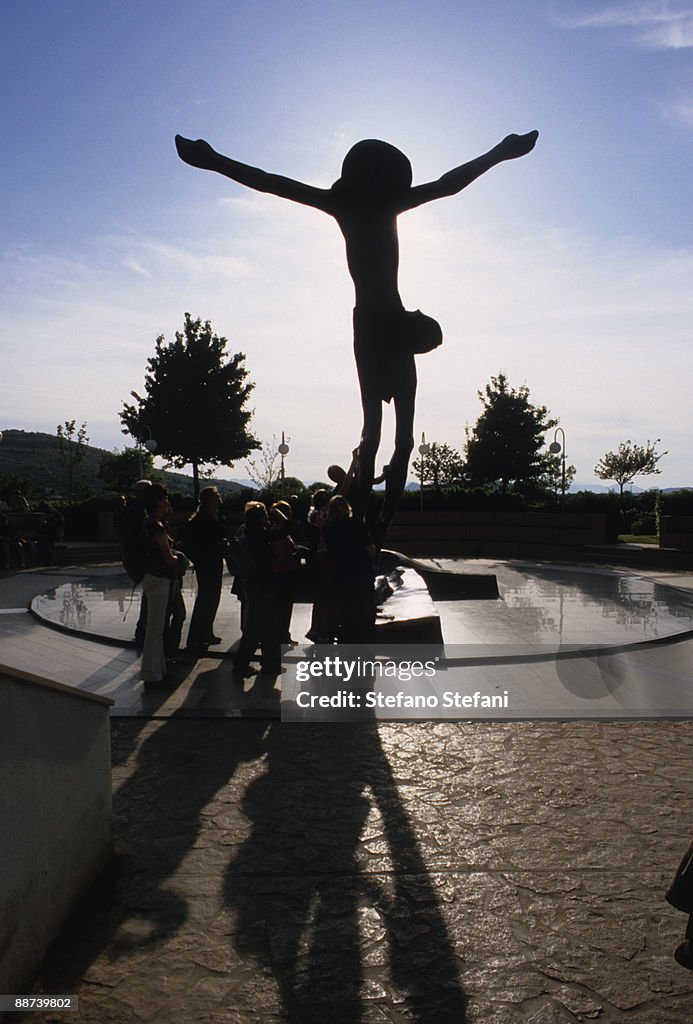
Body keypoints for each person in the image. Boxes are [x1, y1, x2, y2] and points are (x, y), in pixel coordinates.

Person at [176, 128, 538, 538]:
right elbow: (272, 183)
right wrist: (215, 160)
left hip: (381, 324)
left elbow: (274, 182)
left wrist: (502, 152)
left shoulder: (356, 202)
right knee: (378, 434)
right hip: (379, 326)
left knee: (392, 436)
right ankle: (367, 529)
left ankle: (375, 530)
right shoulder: (369, 202)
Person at [140, 484, 184, 685]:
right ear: (158, 501)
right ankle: (152, 674)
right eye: (165, 498)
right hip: (159, 579)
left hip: (153, 578)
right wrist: (182, 560)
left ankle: (159, 671)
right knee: (155, 629)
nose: (168, 502)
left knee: (156, 628)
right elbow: (168, 558)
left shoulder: (150, 523)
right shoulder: (155, 526)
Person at [232, 501, 281, 676]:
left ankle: (265, 663)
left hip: (254, 584)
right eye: (266, 515)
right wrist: (279, 514)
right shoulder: (260, 535)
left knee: (261, 625)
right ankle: (253, 664)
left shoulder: (248, 534)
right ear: (260, 519)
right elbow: (285, 529)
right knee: (263, 626)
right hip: (263, 584)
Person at [178, 486, 227, 656]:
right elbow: (196, 543)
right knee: (206, 598)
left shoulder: (216, 516)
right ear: (208, 500)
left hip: (215, 561)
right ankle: (196, 637)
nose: (220, 497)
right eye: (216, 495)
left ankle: (207, 631)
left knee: (212, 598)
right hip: (207, 562)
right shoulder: (201, 520)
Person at [323, 494, 377, 643]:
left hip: (341, 574)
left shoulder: (329, 529)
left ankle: (347, 638)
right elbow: (371, 548)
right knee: (366, 608)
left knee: (346, 610)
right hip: (362, 572)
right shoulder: (357, 524)